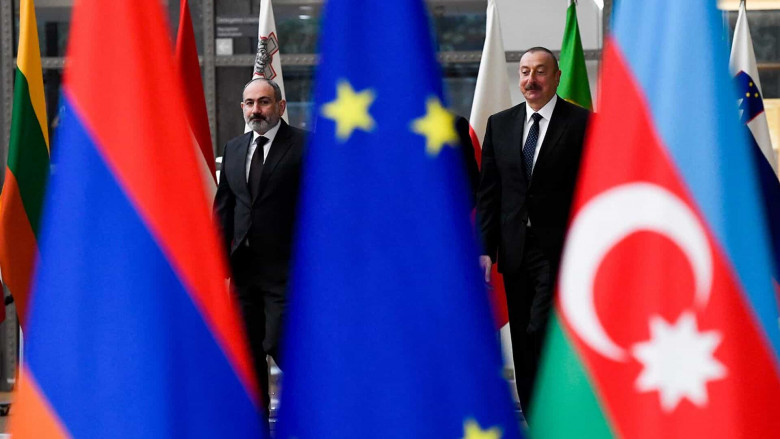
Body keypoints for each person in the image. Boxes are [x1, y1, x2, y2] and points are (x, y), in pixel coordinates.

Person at [476, 47, 590, 415]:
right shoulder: (501, 124)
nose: (531, 79)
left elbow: (592, 189)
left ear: (556, 77)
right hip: (514, 250)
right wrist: (485, 249)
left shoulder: (583, 124)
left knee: (542, 330)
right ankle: (533, 414)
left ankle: (559, 407)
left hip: (562, 251)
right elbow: (490, 193)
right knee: (523, 339)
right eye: (525, 71)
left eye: (540, 71)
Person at [214, 78, 306, 411]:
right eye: (250, 103)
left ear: (280, 106)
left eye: (264, 102)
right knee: (247, 356)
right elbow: (224, 209)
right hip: (243, 274)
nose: (257, 110)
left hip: (287, 272)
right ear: (243, 108)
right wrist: (215, 265)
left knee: (281, 344)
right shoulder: (234, 148)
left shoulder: (305, 146)